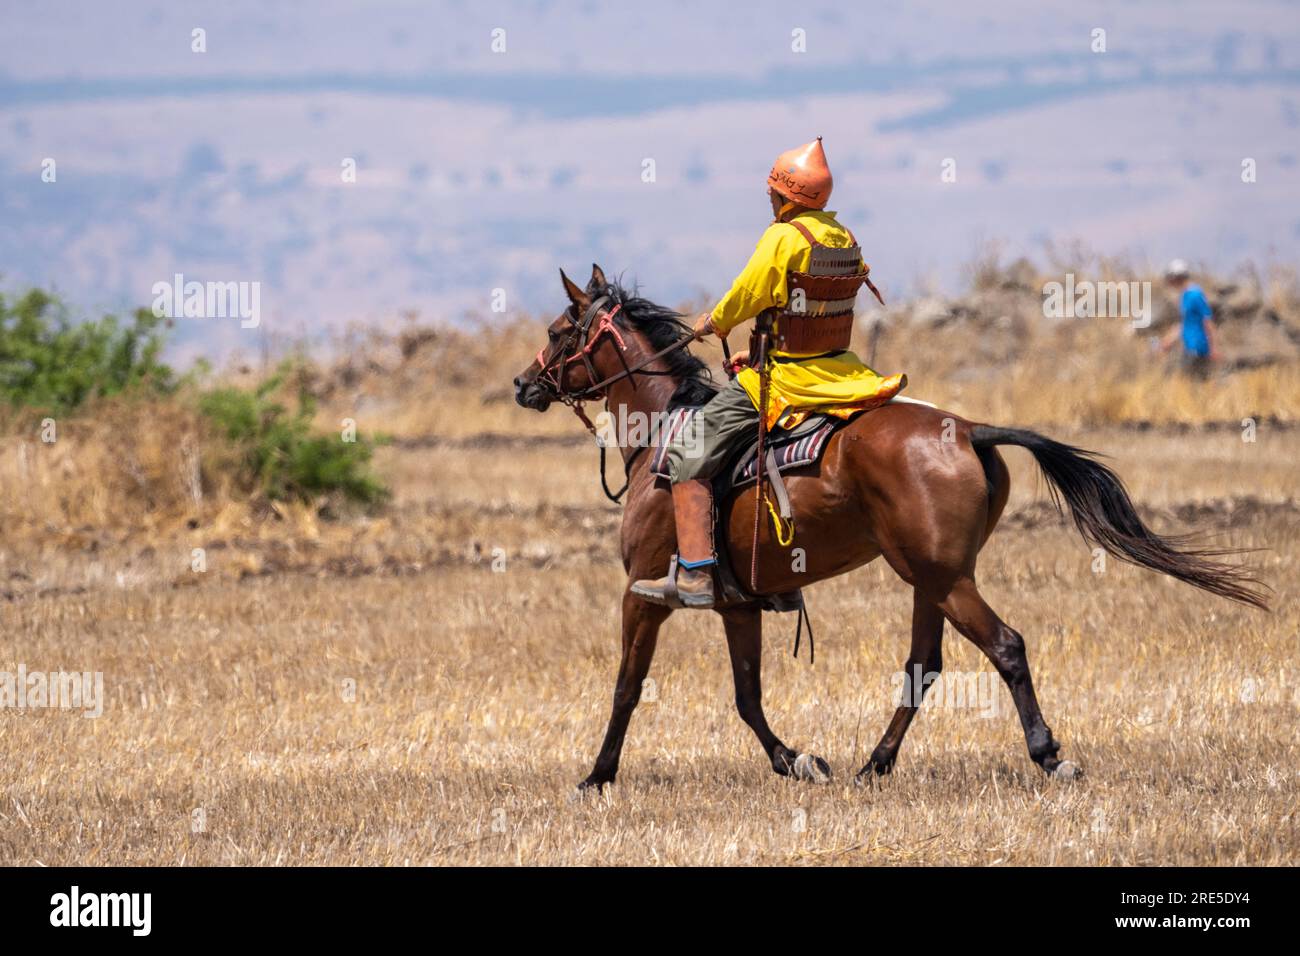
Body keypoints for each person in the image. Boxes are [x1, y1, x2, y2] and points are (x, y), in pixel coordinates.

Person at [631, 137, 905, 609]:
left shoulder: (782, 237)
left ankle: (696, 573)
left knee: (689, 449)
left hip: (788, 381)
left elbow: (747, 293)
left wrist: (713, 322)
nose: (769, 203)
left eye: (771, 195)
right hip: (843, 373)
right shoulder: (841, 237)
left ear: (784, 196)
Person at [1159, 259, 1219, 378]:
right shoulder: (1184, 296)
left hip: (1198, 348)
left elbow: (1207, 321)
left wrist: (1213, 348)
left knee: (1188, 381)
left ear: (1178, 277)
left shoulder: (1195, 294)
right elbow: (1184, 324)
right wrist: (1168, 341)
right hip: (1189, 348)